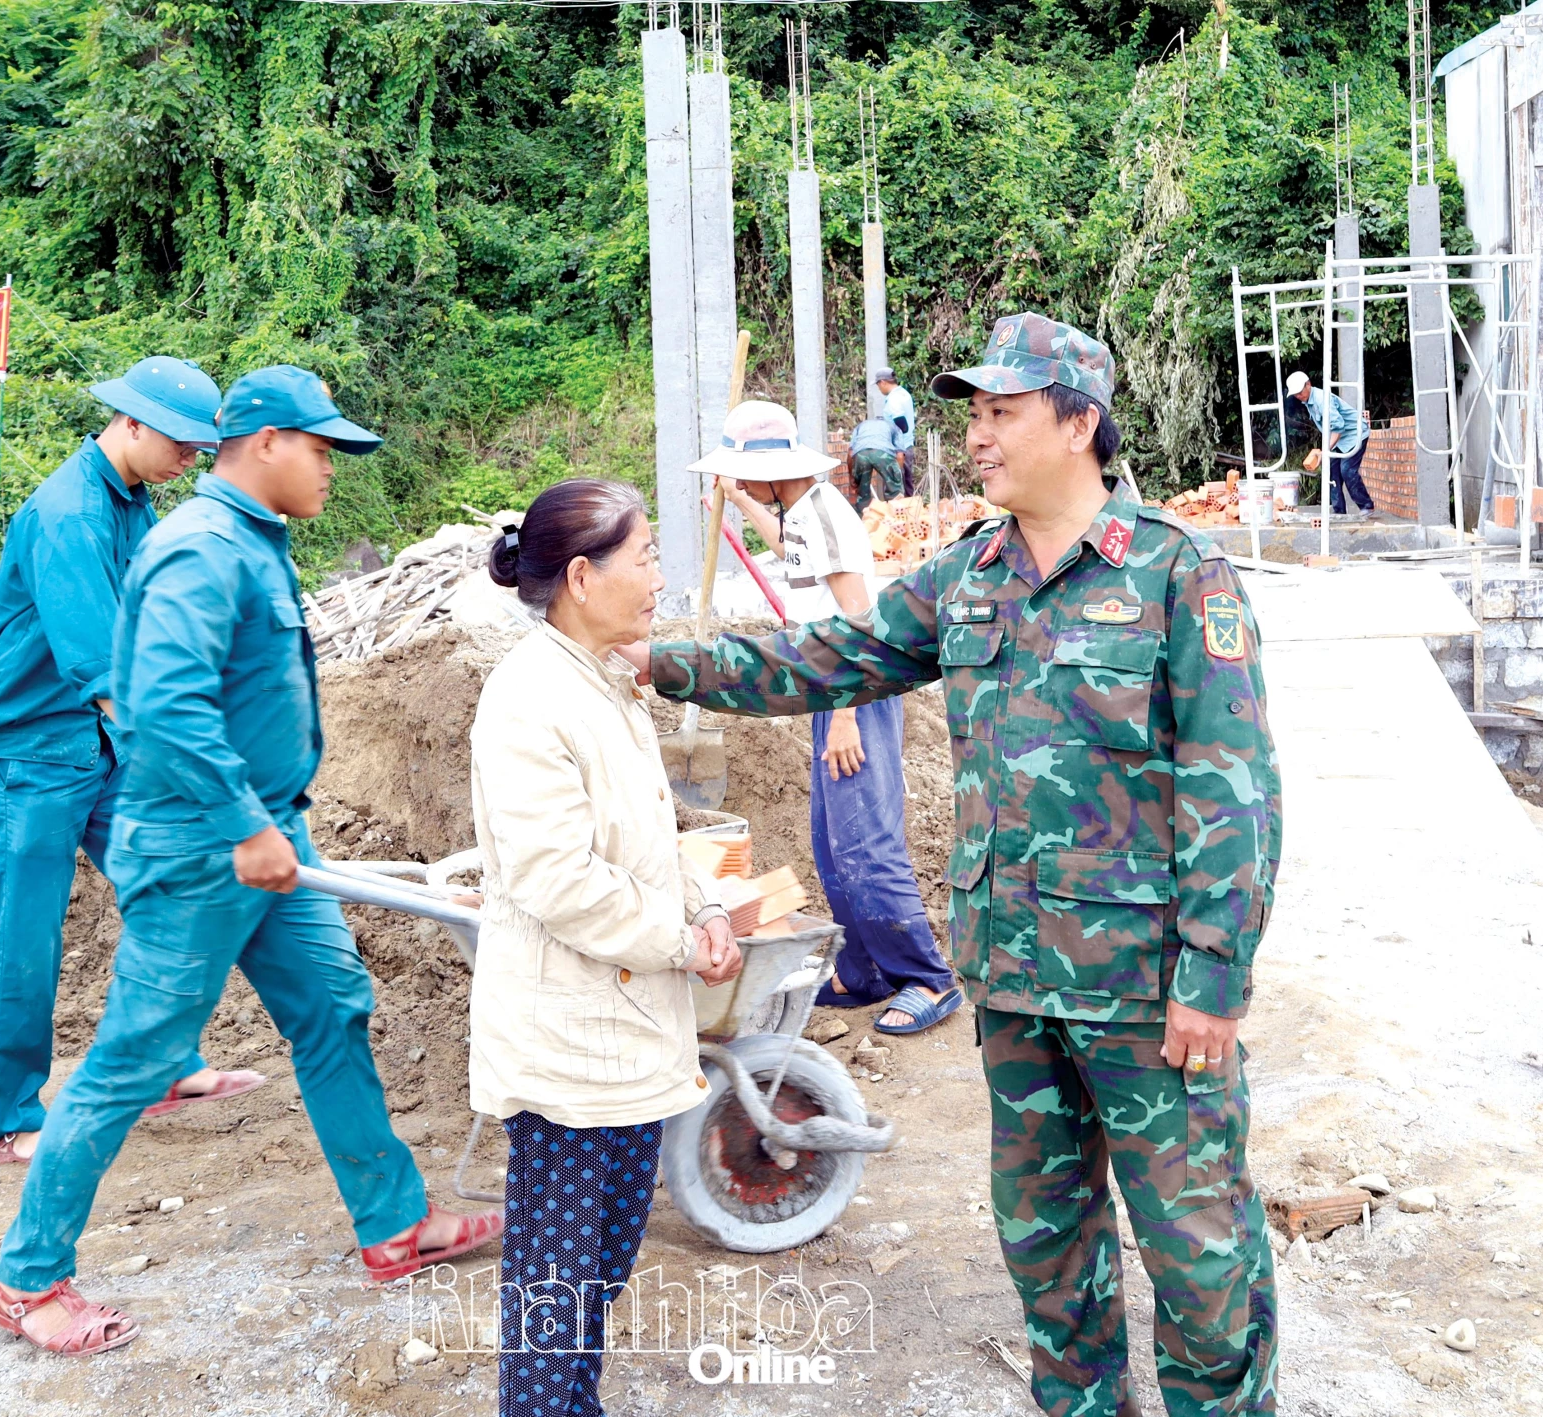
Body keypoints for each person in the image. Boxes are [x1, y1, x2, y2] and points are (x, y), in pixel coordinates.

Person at [624, 314, 1282, 1416]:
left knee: (1198, 1251)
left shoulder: (1177, 572)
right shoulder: (969, 575)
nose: (976, 435)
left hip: (1143, 991)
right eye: (973, 413)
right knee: (1044, 1242)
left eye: (1001, 412)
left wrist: (1212, 977)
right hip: (1014, 979)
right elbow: (831, 657)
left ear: (1078, 423)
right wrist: (667, 662)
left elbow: (1236, 790)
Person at [0, 366, 503, 1356]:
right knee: (135, 1060)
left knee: (334, 1006)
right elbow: (161, 704)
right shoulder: (200, 548)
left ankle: (395, 1221)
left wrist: (266, 826)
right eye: (321, 448)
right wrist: (242, 826)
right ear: (266, 442)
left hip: (264, 832)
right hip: (201, 846)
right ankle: (27, 1276)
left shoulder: (252, 540)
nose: (332, 469)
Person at [468, 477, 744, 1417]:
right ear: (583, 578)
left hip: (623, 1035)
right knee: (556, 1294)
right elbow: (560, 879)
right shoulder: (528, 698)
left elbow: (650, 835)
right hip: (569, 1054)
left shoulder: (604, 681)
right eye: (647, 555)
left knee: (597, 1274)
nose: (661, 577)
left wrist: (706, 904)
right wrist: (681, 940)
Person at [0, 357, 262, 1166]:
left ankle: (163, 1062)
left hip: (96, 744)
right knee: (24, 940)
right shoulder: (69, 515)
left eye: (201, 449)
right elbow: (102, 673)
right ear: (130, 423)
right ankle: (11, 1118)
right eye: (181, 444)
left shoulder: (132, 498)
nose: (190, 460)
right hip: (29, 752)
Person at [714, 403, 961, 1036]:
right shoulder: (801, 512)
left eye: (748, 477)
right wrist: (740, 502)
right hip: (831, 693)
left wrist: (847, 715)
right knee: (831, 842)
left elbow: (859, 622)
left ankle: (927, 978)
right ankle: (864, 969)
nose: (744, 484)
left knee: (865, 843)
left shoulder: (825, 513)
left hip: (857, 692)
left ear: (775, 473)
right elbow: (791, 554)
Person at [1287, 370, 1374, 516]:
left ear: (1308, 384)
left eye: (1300, 392)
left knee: (1347, 470)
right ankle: (1339, 511)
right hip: (1340, 439)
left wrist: (1325, 451)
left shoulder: (1321, 399)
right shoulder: (1309, 401)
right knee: (1331, 472)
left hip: (1354, 434)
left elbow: (1338, 426)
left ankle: (1366, 505)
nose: (1298, 396)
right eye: (1296, 394)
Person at [876, 367, 917, 496]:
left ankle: (899, 509)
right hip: (907, 446)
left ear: (883, 382)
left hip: (898, 450)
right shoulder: (904, 394)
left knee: (895, 489)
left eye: (878, 385)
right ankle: (910, 507)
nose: (879, 388)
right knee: (907, 485)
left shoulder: (893, 399)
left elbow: (901, 424)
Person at [848, 414, 900, 515]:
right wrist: (896, 476)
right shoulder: (893, 427)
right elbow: (900, 455)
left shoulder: (861, 426)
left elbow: (850, 453)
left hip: (861, 453)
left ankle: (864, 518)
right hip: (883, 453)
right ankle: (895, 517)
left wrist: (852, 477)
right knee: (895, 491)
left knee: (862, 492)